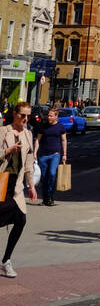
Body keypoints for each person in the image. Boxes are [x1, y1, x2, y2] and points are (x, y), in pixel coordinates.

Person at [0, 101, 37, 276]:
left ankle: (6, 260)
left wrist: (31, 186)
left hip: (16, 185)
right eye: (22, 115)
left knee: (21, 219)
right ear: (15, 113)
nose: (25, 119)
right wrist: (8, 152)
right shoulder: (3, 131)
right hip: (1, 182)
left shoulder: (28, 135)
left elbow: (29, 164)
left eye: (28, 116)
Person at [34, 106, 68, 207]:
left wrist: (64, 154)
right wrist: (35, 152)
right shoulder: (43, 126)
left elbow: (63, 140)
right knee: (44, 177)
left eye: (51, 116)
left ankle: (50, 196)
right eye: (48, 115)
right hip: (43, 156)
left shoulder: (60, 127)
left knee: (52, 174)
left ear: (56, 117)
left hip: (55, 155)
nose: (48, 117)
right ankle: (45, 199)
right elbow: (38, 140)